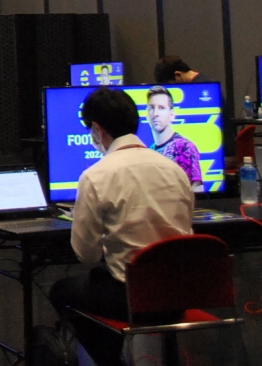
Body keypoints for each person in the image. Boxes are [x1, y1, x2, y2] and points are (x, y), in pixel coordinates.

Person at [48, 87, 193, 366]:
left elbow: (86, 255)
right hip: (179, 295)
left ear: (96, 129)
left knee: (62, 292)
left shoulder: (96, 176)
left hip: (130, 298)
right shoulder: (175, 170)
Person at [146, 85, 203, 191]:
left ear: (172, 114)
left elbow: (196, 188)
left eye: (161, 108)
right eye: (151, 108)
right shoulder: (149, 152)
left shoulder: (185, 147)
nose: (155, 114)